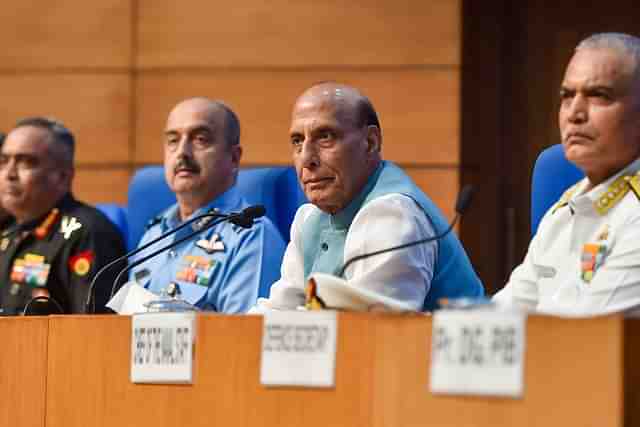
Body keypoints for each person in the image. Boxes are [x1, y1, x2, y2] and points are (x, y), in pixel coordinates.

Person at [253, 82, 484, 312]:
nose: (306, 159)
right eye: (297, 141)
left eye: (325, 137)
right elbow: (280, 308)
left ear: (371, 142)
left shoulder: (393, 214)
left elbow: (370, 329)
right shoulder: (310, 218)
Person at [494, 33, 640, 315]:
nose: (574, 113)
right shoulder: (561, 213)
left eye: (599, 95)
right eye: (567, 96)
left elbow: (588, 336)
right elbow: (504, 313)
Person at [129, 98, 285, 313]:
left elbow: (245, 339)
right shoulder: (154, 234)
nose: (182, 152)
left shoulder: (250, 236)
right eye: (173, 140)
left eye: (200, 139)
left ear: (233, 158)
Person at [0, 117, 126, 315]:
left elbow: (93, 327)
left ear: (62, 176)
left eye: (26, 162)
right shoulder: (8, 231)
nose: (9, 174)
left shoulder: (87, 233)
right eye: (4, 161)